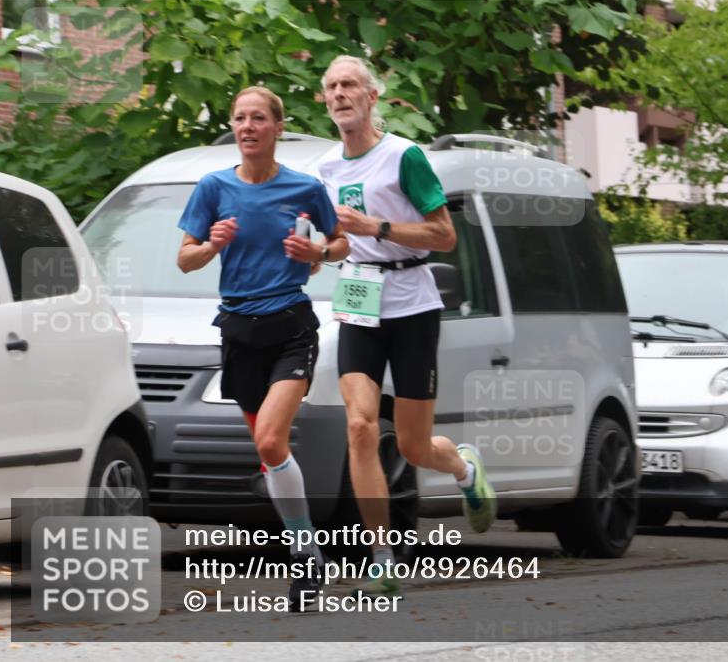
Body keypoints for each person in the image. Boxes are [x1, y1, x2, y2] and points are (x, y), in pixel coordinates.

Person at [318, 56, 497, 597]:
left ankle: (463, 469)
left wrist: (379, 226)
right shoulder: (325, 168)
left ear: (372, 96)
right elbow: (338, 242)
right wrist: (318, 252)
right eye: (331, 86)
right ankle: (381, 558)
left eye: (349, 85)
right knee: (360, 426)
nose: (339, 93)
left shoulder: (404, 156)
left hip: (412, 302)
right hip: (357, 296)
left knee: (415, 446)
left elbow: (444, 236)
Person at [176, 86, 349, 612]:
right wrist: (212, 245)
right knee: (269, 452)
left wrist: (317, 250)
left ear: (277, 127)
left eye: (257, 118)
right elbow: (185, 258)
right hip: (238, 331)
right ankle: (309, 549)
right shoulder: (213, 187)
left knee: (272, 440)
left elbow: (341, 243)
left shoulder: (305, 187)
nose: (247, 127)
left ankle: (302, 554)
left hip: (291, 326)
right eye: (239, 118)